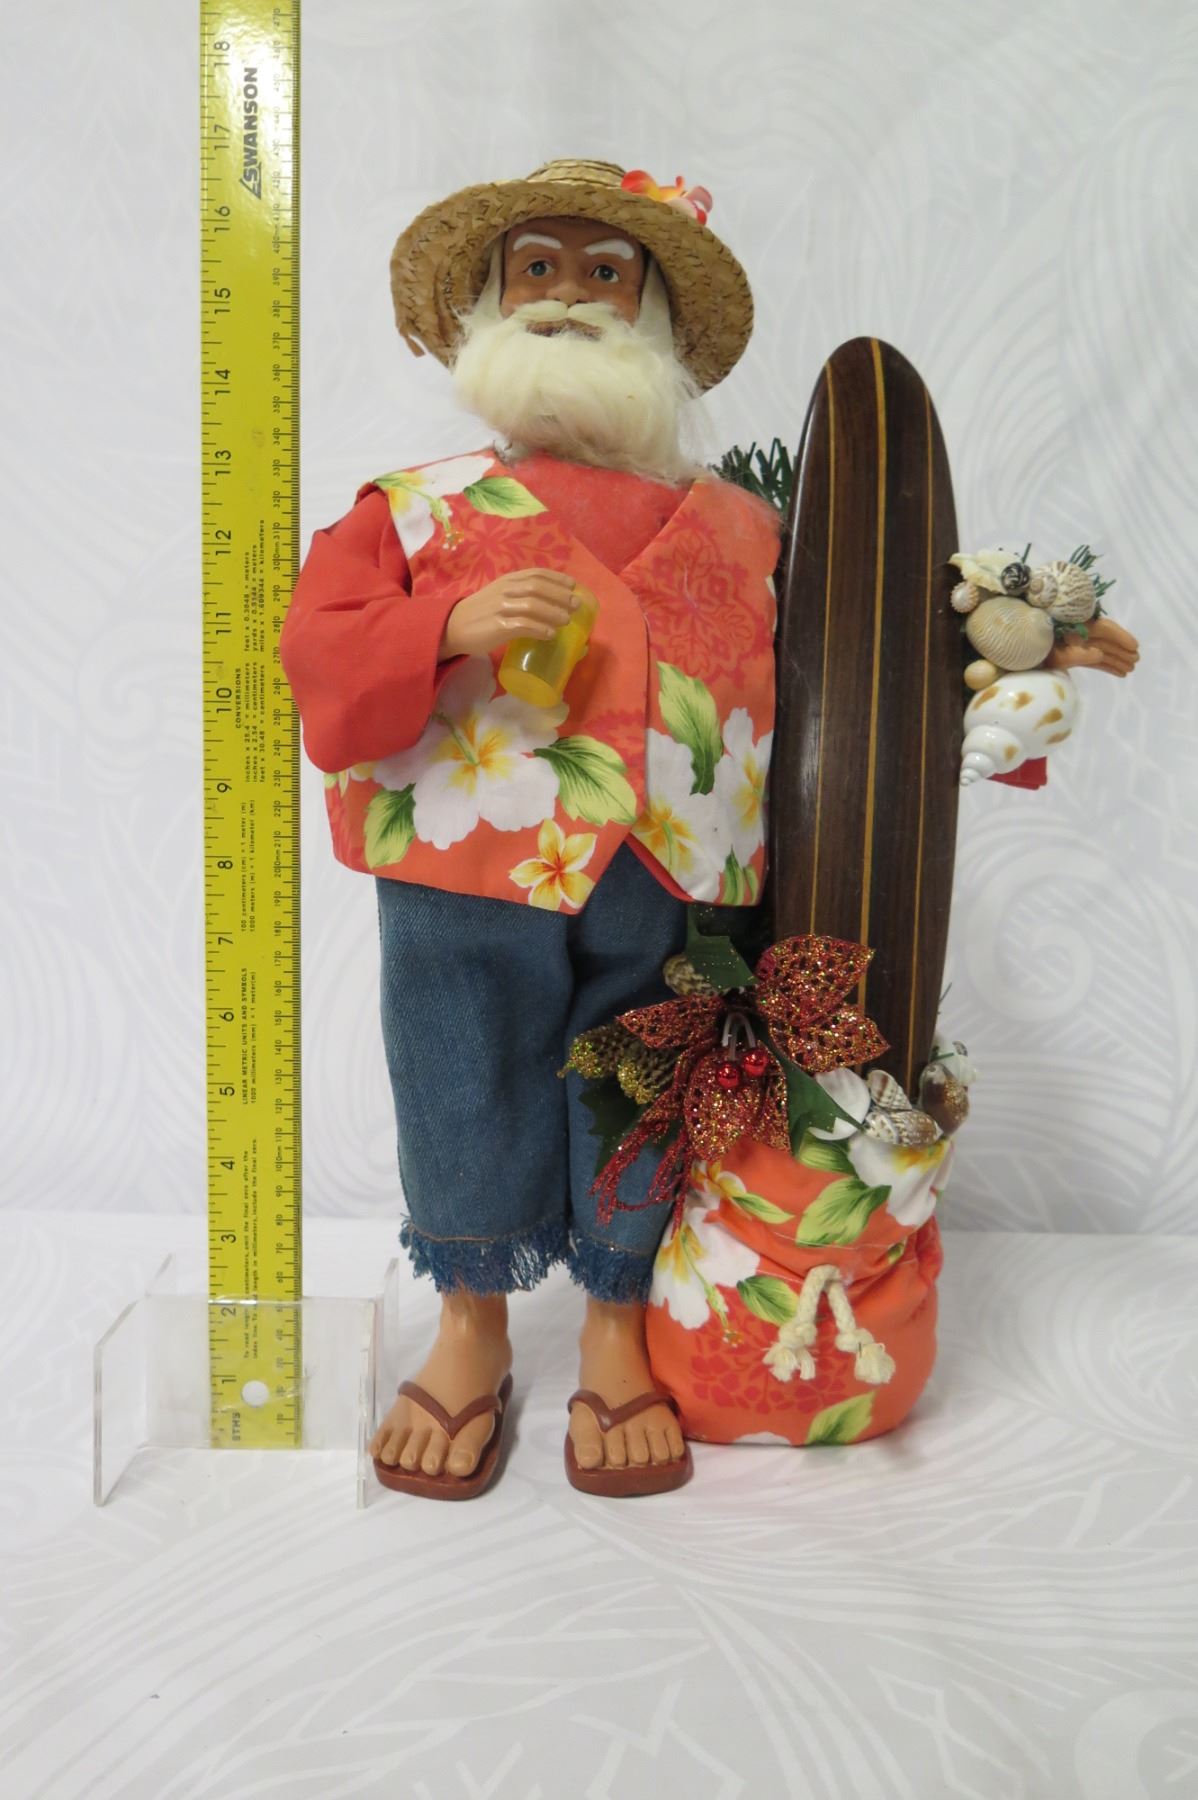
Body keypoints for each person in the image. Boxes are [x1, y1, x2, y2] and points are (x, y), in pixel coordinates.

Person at [279, 159, 780, 1496]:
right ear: (490, 309)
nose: (568, 296)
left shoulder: (750, 529)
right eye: (536, 270)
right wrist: (438, 625)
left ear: (655, 320)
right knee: (459, 1066)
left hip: (673, 860)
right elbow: (317, 652)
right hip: (468, 852)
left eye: (605, 274)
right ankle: (472, 1323)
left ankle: (617, 1319)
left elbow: (848, 670)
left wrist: (999, 647)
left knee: (647, 1073)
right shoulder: (412, 508)